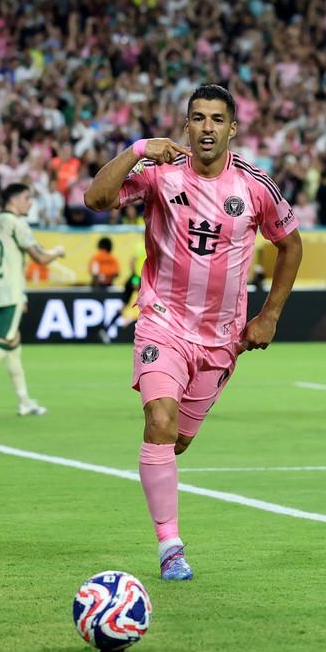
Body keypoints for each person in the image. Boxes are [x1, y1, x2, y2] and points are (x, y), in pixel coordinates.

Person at [83, 84, 303, 581]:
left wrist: (270, 315)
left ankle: (165, 504)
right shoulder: (161, 173)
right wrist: (138, 149)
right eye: (198, 118)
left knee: (177, 441)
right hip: (162, 320)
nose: (207, 127)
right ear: (186, 126)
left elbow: (291, 246)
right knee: (158, 422)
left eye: (216, 119)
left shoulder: (255, 186)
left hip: (222, 338)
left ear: (232, 128)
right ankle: (170, 547)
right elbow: (95, 197)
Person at [0, 183, 66, 418]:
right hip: (11, 293)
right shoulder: (17, 224)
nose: (30, 203)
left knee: (13, 346)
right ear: (15, 200)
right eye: (27, 198)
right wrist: (57, 251)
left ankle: (24, 401)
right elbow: (40, 257)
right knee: (1, 342)